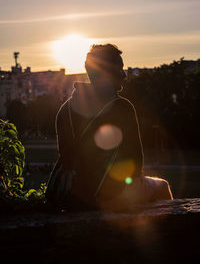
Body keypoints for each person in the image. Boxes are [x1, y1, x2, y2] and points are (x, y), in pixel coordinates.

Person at [46, 44, 173, 211]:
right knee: (162, 186)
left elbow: (67, 157)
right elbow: (135, 164)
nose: (124, 75)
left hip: (72, 196)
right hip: (107, 196)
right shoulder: (121, 107)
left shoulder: (65, 109)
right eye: (119, 68)